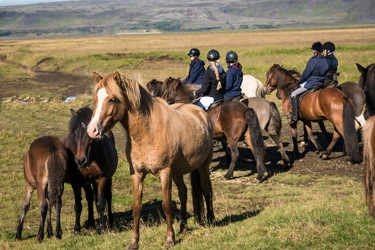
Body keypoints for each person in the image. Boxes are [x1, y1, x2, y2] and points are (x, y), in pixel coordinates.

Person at [288, 42, 329, 121]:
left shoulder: (313, 60)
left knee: (293, 93)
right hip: (320, 82)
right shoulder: (325, 60)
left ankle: (294, 115)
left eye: (313, 50)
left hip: (311, 83)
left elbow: (307, 72)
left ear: (315, 51)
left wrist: (301, 80)